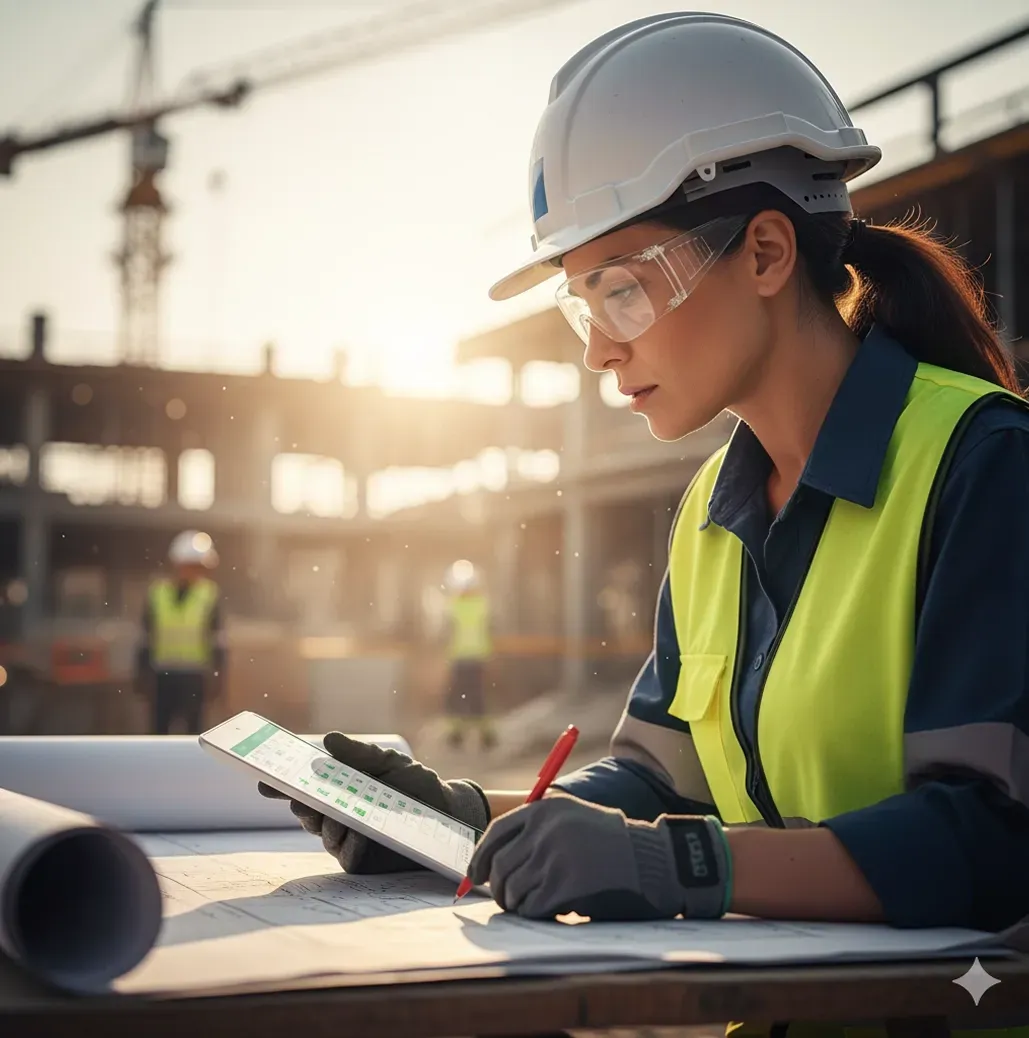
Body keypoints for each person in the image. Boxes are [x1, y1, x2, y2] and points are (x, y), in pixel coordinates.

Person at [261, 14, 1029, 1034]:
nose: (599, 353)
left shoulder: (983, 467)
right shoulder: (714, 512)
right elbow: (664, 775)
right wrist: (466, 817)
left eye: (623, 290)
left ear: (764, 251)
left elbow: (987, 840)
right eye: (584, 306)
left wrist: (680, 865)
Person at [137, 530, 224, 734]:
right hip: (162, 676)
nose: (196, 572)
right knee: (159, 735)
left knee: (194, 736)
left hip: (194, 677)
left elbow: (218, 641)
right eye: (192, 566)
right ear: (177, 564)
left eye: (199, 567)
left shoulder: (209, 595)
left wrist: (218, 678)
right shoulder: (157, 593)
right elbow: (145, 638)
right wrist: (142, 674)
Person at [443, 560, 497, 751]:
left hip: (460, 658)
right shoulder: (483, 604)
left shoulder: (453, 606)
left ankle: (457, 735)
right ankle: (485, 736)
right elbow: (491, 629)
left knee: (458, 696)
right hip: (478, 658)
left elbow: (446, 632)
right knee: (477, 696)